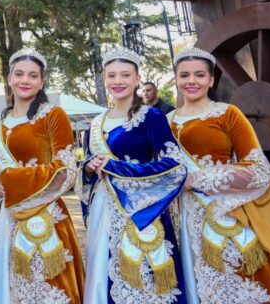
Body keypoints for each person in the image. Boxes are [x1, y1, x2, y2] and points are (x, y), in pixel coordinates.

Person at [167, 47, 270, 303]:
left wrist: (196, 180)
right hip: (184, 221)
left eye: (199, 75)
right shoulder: (165, 122)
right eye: (184, 75)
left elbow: (259, 169)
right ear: (176, 79)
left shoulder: (228, 114)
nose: (191, 81)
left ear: (211, 80)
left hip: (226, 214)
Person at [79, 46, 188, 303]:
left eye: (125, 75)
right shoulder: (96, 123)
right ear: (105, 79)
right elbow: (87, 166)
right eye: (112, 75)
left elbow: (175, 165)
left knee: (145, 277)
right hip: (103, 210)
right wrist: (87, 167)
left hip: (142, 209)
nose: (118, 81)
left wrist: (117, 168)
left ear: (137, 78)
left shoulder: (152, 116)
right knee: (105, 274)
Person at [0, 48, 84, 303]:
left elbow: (66, 167)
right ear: (10, 78)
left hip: (44, 214)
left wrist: (13, 180)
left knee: (44, 284)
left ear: (41, 82)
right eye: (20, 74)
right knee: (7, 283)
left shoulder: (52, 115)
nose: (25, 80)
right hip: (6, 217)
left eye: (33, 75)